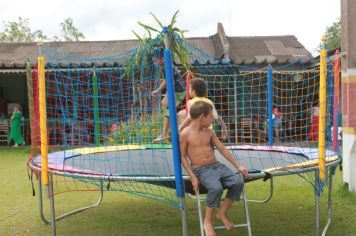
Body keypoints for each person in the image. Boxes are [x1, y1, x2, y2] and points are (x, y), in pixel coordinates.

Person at [179, 101, 248, 236]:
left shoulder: (209, 131)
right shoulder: (184, 134)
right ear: (202, 117)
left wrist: (238, 166)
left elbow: (221, 148)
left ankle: (222, 213)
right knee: (216, 188)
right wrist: (193, 176)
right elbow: (182, 157)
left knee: (238, 183)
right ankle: (207, 221)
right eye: (210, 116)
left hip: (217, 166)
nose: (212, 119)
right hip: (201, 169)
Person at [151, 47, 186, 142]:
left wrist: (167, 95)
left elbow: (172, 83)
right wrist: (158, 90)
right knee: (166, 106)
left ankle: (164, 134)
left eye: (156, 60)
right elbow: (166, 81)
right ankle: (175, 127)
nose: (155, 62)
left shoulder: (168, 67)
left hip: (178, 91)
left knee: (168, 111)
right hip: (176, 91)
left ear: (162, 58)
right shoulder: (163, 67)